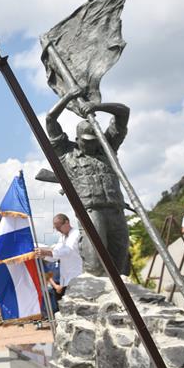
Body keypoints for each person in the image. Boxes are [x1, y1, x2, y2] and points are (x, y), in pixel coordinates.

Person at [46, 93, 131, 276]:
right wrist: (69, 96)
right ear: (77, 139)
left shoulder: (108, 148)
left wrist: (97, 107)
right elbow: (50, 119)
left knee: (121, 263)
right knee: (95, 264)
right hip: (92, 213)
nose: (91, 146)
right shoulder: (66, 153)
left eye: (94, 142)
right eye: (86, 142)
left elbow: (124, 113)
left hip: (116, 210)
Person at [36, 213, 84, 294]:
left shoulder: (76, 234)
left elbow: (68, 251)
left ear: (67, 222)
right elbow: (55, 257)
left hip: (77, 278)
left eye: (58, 227)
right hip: (65, 281)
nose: (58, 230)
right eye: (56, 228)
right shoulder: (61, 237)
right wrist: (43, 255)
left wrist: (46, 252)